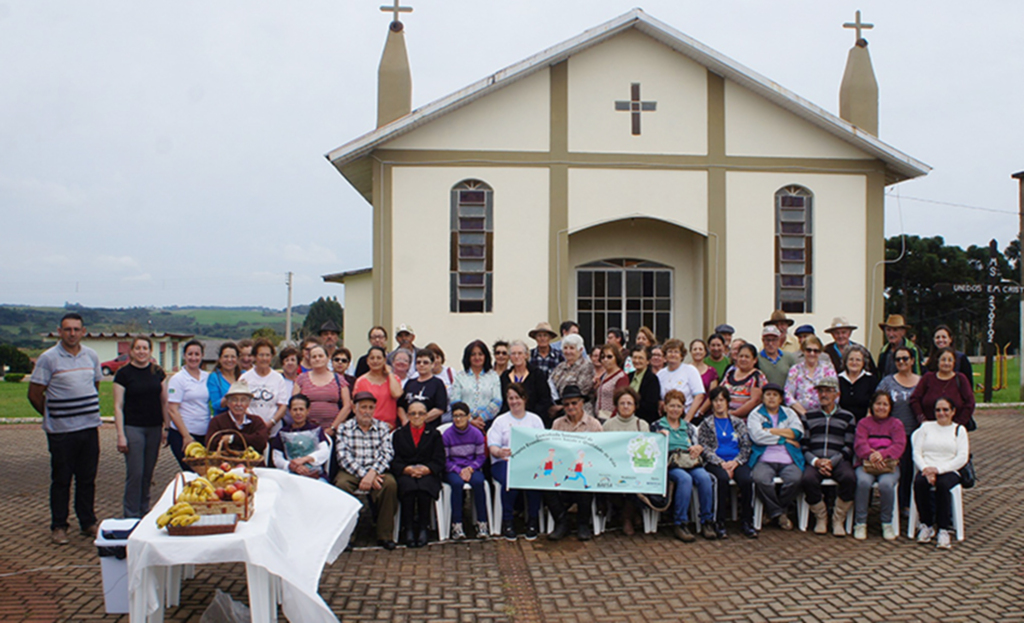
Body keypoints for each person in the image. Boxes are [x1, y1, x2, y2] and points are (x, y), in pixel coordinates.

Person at [28, 313, 102, 544]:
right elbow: (34, 393)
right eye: (67, 329)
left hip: (89, 428)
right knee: (61, 479)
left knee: (87, 478)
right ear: (59, 331)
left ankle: (87, 522)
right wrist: (54, 415)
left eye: (76, 329)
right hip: (61, 432)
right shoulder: (48, 358)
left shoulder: (91, 356)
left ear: (83, 331)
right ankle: (59, 525)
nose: (72, 333)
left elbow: (95, 384)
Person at [334, 391, 398, 550]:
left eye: (370, 407)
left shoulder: (383, 427)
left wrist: (372, 473)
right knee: (341, 485)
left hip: (376, 471)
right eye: (363, 407)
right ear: (354, 409)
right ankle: (347, 536)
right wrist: (365, 475)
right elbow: (343, 457)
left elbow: (387, 453)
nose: (367, 411)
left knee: (390, 485)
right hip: (351, 472)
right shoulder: (344, 428)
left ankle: (385, 535)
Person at [112, 336, 168, 518]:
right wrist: (121, 434)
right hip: (133, 428)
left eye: (145, 348)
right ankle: (130, 514)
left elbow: (164, 402)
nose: (141, 352)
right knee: (135, 473)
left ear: (150, 351)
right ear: (131, 351)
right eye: (138, 348)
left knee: (147, 474)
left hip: (154, 428)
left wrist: (166, 428)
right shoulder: (123, 374)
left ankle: (144, 510)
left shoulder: (157, 373)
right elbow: (118, 406)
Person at [653, 389, 716, 541]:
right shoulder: (656, 426)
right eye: (672, 406)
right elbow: (652, 451)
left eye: (679, 406)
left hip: (690, 461)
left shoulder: (688, 427)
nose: (675, 410)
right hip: (671, 464)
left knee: (705, 478)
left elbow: (699, 445)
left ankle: (707, 521)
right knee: (684, 479)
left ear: (683, 409)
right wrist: (658, 439)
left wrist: (698, 448)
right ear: (665, 407)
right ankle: (680, 523)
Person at [800, 377, 856, 537]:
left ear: (837, 394)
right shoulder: (808, 416)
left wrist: (832, 462)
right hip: (815, 459)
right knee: (807, 479)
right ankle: (821, 517)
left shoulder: (848, 417)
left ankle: (838, 519)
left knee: (849, 478)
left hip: (838, 460)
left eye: (828, 391)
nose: (823, 394)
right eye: (821, 391)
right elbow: (804, 445)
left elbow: (849, 446)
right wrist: (816, 461)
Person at [698, 387, 757, 538]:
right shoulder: (706, 424)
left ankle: (747, 522)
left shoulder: (737, 423)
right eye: (716, 400)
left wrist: (735, 462)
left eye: (722, 400)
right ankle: (719, 522)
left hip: (736, 461)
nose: (719, 404)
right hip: (716, 462)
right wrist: (721, 463)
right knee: (721, 479)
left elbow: (746, 446)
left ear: (727, 402)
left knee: (746, 480)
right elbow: (704, 447)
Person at [546, 385, 602, 541]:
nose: (570, 407)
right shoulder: (557, 423)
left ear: (582, 403)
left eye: (574, 403)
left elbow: (600, 451)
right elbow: (552, 448)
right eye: (566, 404)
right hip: (561, 470)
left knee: (584, 482)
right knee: (545, 484)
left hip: (584, 470)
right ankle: (561, 522)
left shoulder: (594, 424)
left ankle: (583, 524)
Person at [488, 383, 544, 540]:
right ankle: (507, 520)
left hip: (528, 462)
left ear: (524, 399)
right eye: (510, 398)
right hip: (504, 462)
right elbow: (493, 446)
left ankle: (532, 520)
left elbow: (542, 444)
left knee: (535, 478)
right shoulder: (500, 421)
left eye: (517, 398)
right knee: (509, 479)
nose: (514, 401)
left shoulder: (535, 420)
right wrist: (499, 452)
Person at [912, 397, 969, 549]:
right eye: (938, 410)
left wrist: (938, 470)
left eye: (945, 410)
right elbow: (917, 452)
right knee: (919, 483)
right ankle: (926, 525)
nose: (941, 413)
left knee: (943, 485)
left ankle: (943, 529)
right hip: (927, 468)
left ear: (953, 412)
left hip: (949, 470)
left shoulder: (959, 430)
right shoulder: (925, 428)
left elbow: (962, 457)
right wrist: (926, 469)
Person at [748, 383, 805, 531]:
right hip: (764, 459)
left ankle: (772, 511)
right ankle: (780, 513)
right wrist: (784, 438)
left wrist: (771, 431)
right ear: (763, 398)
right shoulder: (755, 414)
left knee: (795, 479)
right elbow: (757, 437)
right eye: (768, 394)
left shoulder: (790, 413)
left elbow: (797, 433)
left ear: (780, 399)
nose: (771, 398)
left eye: (775, 395)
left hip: (788, 459)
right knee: (760, 479)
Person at [391, 401, 446, 548]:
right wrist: (407, 469)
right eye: (413, 413)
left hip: (428, 473)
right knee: (408, 488)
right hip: (406, 473)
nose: (417, 416)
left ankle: (423, 528)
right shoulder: (399, 435)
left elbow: (439, 459)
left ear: (426, 415)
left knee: (424, 489)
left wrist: (427, 469)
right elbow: (395, 460)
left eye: (421, 413)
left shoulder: (434, 434)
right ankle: (408, 528)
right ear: (408, 415)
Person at [853, 391, 906, 541]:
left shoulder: (896, 424)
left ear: (890, 407)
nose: (881, 407)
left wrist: (882, 454)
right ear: (872, 405)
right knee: (863, 482)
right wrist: (871, 455)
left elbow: (899, 445)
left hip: (888, 465)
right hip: (866, 464)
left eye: (885, 404)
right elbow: (859, 444)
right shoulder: (864, 423)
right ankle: (860, 522)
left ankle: (887, 522)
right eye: (878, 403)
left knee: (886, 484)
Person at [876, 345, 921, 515]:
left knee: (910, 470)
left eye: (905, 359)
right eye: (898, 359)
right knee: (896, 469)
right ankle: (893, 505)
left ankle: (908, 504)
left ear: (912, 361)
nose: (902, 362)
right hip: (892, 435)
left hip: (915, 433)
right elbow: (877, 404)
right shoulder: (887, 382)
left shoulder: (921, 382)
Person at [442, 402, 490, 540]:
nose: (458, 419)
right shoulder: (447, 435)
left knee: (479, 482)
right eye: (455, 416)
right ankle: (456, 524)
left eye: (461, 416)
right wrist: (458, 470)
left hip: (472, 467)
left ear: (468, 416)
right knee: (456, 484)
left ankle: (482, 522)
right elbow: (445, 460)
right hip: (453, 469)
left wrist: (470, 468)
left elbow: (481, 456)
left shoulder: (476, 434)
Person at [166, 340, 210, 470]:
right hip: (183, 435)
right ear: (184, 356)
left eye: (197, 354)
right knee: (192, 473)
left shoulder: (207, 377)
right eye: (190, 354)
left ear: (202, 356)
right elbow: (172, 410)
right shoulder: (178, 379)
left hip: (204, 434)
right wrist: (186, 436)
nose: (193, 357)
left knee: (205, 472)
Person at [909, 347, 975, 427]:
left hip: (953, 429)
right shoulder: (928, 378)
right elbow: (914, 399)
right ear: (938, 361)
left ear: (954, 362)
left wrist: (959, 423)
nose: (946, 363)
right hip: (929, 427)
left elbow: (970, 403)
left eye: (950, 360)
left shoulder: (961, 379)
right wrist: (922, 420)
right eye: (943, 360)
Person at [294, 344, 352, 435]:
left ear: (327, 358)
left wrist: (333, 427)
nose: (317, 359)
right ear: (309, 360)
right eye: (314, 357)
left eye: (320, 356)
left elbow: (347, 406)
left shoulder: (339, 379)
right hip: (307, 431)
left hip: (333, 432)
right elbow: (295, 404)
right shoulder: (301, 379)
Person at [270, 394, 330, 480]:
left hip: (315, 475)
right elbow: (277, 458)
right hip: (290, 476)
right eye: (295, 409)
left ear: (307, 411)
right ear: (290, 411)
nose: (298, 413)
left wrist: (304, 459)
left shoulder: (316, 430)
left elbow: (324, 451)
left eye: (301, 409)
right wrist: (292, 466)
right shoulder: (283, 432)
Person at [205, 380, 270, 453]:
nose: (239, 404)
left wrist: (232, 438)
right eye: (234, 400)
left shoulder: (256, 421)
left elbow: (261, 442)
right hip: (224, 462)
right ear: (228, 403)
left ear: (248, 403)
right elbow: (211, 445)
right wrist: (248, 440)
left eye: (243, 400)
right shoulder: (217, 421)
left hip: (253, 463)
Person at [451, 340, 503, 430]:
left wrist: (481, 418)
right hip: (463, 423)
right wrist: (470, 420)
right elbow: (455, 401)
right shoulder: (460, 377)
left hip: (486, 424)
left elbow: (497, 401)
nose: (477, 357)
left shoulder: (493, 376)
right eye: (473, 354)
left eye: (480, 354)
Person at [240, 338, 289, 434]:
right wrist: (257, 424)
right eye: (261, 355)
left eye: (267, 355)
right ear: (254, 357)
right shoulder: (245, 378)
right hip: (251, 430)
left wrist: (271, 423)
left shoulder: (278, 378)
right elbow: (240, 403)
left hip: (273, 431)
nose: (264, 358)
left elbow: (283, 405)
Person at [352, 346, 404, 430]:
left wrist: (389, 373)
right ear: (367, 361)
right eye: (372, 358)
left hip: (390, 426)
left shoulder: (393, 379)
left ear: (384, 360)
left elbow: (397, 394)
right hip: (369, 426)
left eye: (379, 358)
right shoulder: (361, 381)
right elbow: (357, 406)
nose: (375, 361)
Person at [500, 340, 553, 422]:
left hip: (533, 420)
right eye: (513, 354)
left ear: (526, 355)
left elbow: (545, 400)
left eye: (520, 353)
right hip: (510, 420)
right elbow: (503, 401)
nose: (517, 356)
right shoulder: (505, 376)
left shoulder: (537, 374)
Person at [784, 336, 837, 417]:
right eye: (809, 350)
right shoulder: (795, 369)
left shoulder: (827, 368)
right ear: (803, 351)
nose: (812, 353)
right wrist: (805, 414)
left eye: (816, 351)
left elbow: (835, 393)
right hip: (800, 415)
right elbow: (788, 396)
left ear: (820, 353)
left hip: (824, 415)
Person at [549, 333, 596, 422]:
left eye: (572, 348)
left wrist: (562, 404)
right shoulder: (560, 367)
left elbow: (581, 391)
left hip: (581, 413)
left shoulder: (587, 366)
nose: (568, 351)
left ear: (580, 350)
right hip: (562, 414)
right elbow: (551, 384)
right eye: (565, 348)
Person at [656, 339, 705, 423]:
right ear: (665, 355)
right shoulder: (660, 374)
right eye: (670, 351)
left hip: (688, 418)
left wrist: (687, 419)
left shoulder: (690, 370)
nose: (673, 354)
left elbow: (699, 396)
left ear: (681, 356)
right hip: (668, 419)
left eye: (676, 352)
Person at [399, 349, 449, 429]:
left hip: (429, 429)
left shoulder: (438, 383)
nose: (421, 365)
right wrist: (405, 421)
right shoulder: (410, 383)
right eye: (418, 362)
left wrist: (419, 420)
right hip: (409, 429)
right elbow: (400, 405)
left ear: (432, 365)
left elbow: (440, 409)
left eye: (425, 362)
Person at [719, 343, 767, 419]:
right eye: (741, 356)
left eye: (747, 357)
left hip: (746, 419)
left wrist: (735, 413)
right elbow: (719, 392)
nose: (743, 359)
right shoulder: (730, 373)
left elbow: (755, 400)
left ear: (754, 360)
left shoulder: (757, 376)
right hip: (725, 416)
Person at [838, 345, 879, 421]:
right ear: (845, 361)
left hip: (864, 423)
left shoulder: (871, 380)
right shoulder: (838, 379)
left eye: (858, 360)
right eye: (851, 359)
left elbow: (874, 402)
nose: (854, 363)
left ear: (864, 362)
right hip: (841, 422)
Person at [594, 343, 629, 422]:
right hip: (598, 417)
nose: (605, 360)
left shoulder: (621, 377)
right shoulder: (604, 375)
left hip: (611, 419)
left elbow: (621, 401)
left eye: (609, 357)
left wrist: (612, 419)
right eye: (603, 357)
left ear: (616, 357)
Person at [628, 345, 661, 424]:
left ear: (648, 361)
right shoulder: (629, 376)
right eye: (634, 357)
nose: (637, 360)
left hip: (645, 422)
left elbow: (651, 405)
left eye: (640, 358)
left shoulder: (652, 379)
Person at [207, 342, 240, 417]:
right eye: (226, 356)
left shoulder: (243, 375)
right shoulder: (214, 377)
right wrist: (232, 395)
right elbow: (215, 405)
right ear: (220, 359)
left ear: (237, 359)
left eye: (233, 357)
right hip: (222, 421)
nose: (229, 360)